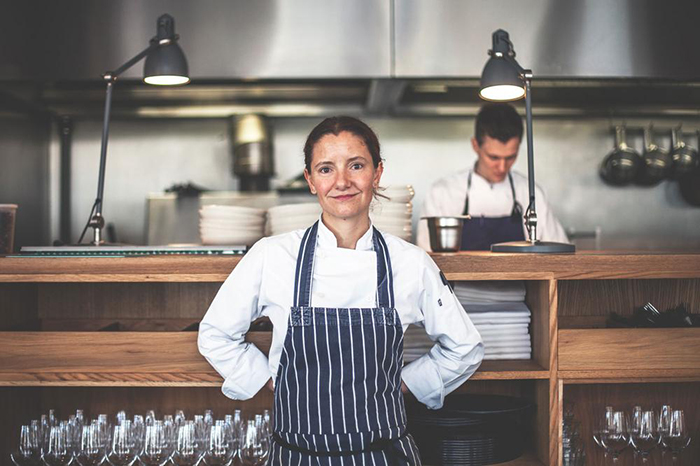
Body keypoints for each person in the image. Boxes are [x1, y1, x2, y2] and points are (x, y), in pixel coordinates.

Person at [199, 116, 484, 465]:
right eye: (325, 169)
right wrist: (270, 380)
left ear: (377, 173)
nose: (342, 182)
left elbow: (465, 347)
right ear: (309, 180)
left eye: (356, 165)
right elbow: (215, 334)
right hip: (296, 456)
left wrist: (405, 384)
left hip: (385, 456)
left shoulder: (411, 263)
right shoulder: (272, 256)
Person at [417, 103, 569, 251]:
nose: (502, 167)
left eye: (510, 157)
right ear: (475, 145)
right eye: (494, 157)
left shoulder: (530, 193)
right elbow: (426, 260)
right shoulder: (443, 193)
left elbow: (559, 255)